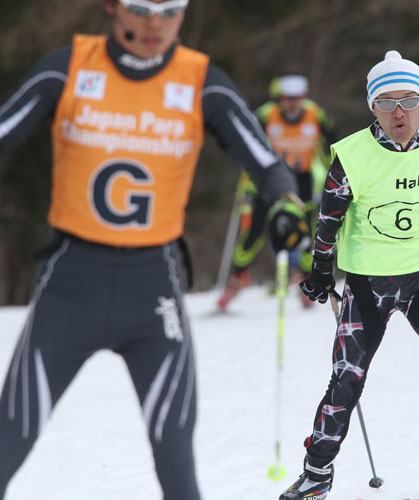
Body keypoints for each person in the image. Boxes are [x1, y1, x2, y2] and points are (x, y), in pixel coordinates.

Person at [0, 1, 307, 499]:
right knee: (9, 438)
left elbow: (266, 162)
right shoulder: (72, 66)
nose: (154, 24)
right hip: (71, 283)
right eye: (141, 8)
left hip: (152, 292)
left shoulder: (201, 79)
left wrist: (286, 205)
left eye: (170, 10)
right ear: (113, 8)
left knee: (175, 457)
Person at [279, 50, 419, 500]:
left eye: (408, 100)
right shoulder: (351, 156)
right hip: (370, 281)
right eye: (386, 103)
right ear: (373, 108)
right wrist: (321, 271)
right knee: (347, 377)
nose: (399, 112)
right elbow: (328, 220)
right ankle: (315, 476)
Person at [216, 74, 337, 311]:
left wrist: (333, 178)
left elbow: (331, 147)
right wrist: (247, 182)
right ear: (279, 98)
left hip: (302, 180)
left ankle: (306, 282)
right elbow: (247, 148)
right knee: (253, 233)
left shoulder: (316, 115)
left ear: (304, 98)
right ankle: (238, 278)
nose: (292, 103)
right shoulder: (265, 115)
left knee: (305, 232)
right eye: (287, 98)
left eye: (297, 98)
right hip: (267, 180)